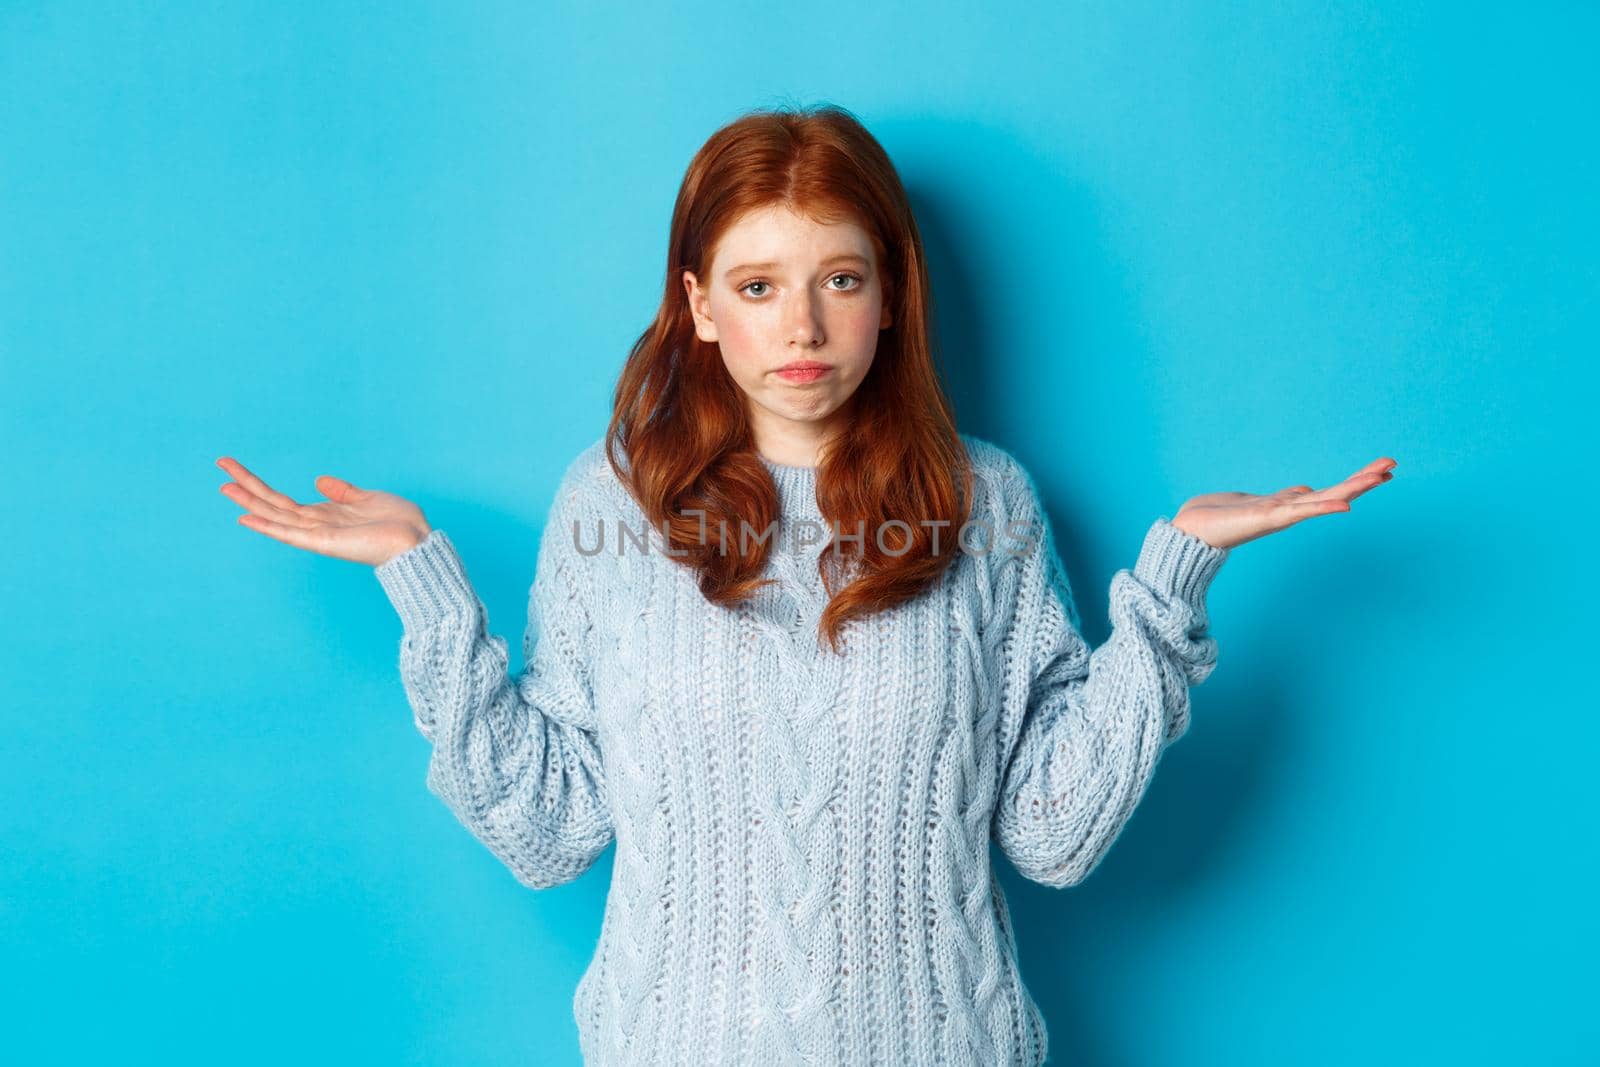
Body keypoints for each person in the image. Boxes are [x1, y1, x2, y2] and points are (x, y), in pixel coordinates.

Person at [216, 104, 1395, 1066]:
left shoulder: (986, 505)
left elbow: (1051, 834)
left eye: (841, 278)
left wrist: (1171, 586)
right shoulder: (611, 502)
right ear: (698, 306)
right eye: (759, 284)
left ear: (891, 295)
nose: (805, 325)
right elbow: (549, 826)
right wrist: (424, 588)